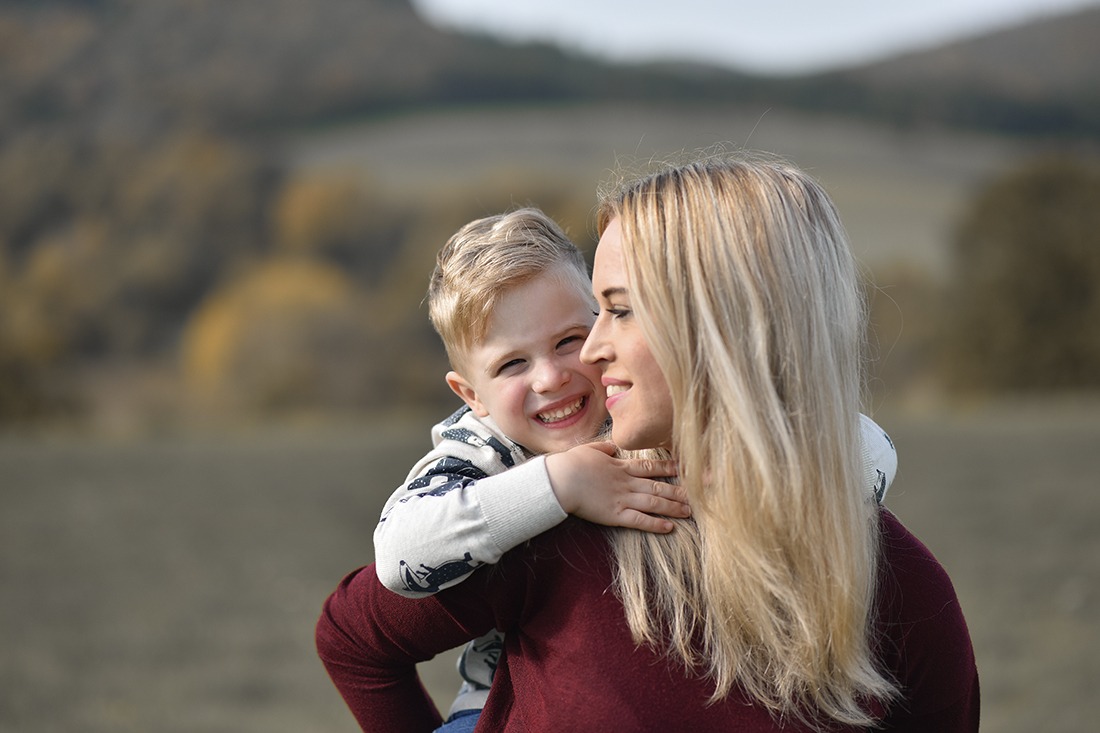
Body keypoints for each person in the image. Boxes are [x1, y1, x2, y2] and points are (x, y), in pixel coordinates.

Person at [322, 158, 952, 731]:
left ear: (724, 325)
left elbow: (860, 445)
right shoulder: (530, 508)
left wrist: (783, 503)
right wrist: (558, 487)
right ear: (470, 393)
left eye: (610, 314)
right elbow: (361, 625)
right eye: (513, 363)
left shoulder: (896, 582)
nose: (576, 363)